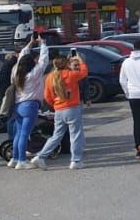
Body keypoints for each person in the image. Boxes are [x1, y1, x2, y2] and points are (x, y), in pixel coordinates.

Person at [31, 52, 88, 171]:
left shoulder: (50, 77)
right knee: (75, 135)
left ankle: (41, 156)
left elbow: (47, 96)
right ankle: (76, 160)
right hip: (72, 108)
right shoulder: (71, 74)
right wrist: (80, 60)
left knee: (56, 136)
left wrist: (55, 105)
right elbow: (84, 72)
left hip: (58, 109)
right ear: (66, 64)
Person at [9, 38, 50, 170]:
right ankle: (22, 160)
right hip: (30, 105)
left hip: (18, 105)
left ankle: (14, 158)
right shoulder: (33, 74)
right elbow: (44, 60)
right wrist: (43, 44)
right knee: (25, 135)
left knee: (19, 133)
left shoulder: (17, 72)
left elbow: (22, 56)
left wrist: (30, 44)